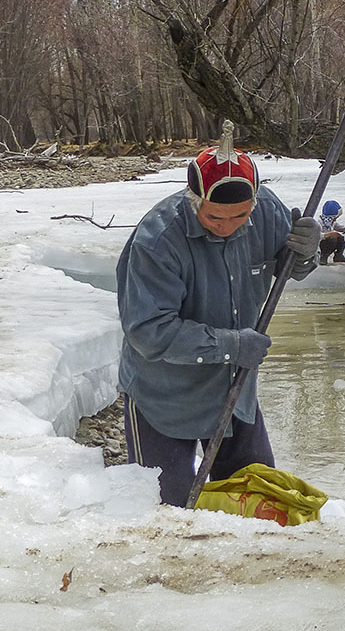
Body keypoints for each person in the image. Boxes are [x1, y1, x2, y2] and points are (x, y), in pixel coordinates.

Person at [115, 126, 322, 507]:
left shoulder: (267, 211)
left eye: (239, 216)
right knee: (168, 512)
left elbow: (291, 266)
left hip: (235, 389)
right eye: (214, 218)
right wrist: (232, 344)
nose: (227, 227)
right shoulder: (157, 241)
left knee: (259, 501)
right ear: (194, 199)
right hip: (164, 397)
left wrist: (306, 252)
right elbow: (149, 331)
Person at [317, 199, 345, 264]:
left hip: (328, 243)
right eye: (335, 217)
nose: (336, 219)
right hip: (320, 246)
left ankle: (339, 256)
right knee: (332, 239)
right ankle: (323, 257)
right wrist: (329, 234)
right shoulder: (318, 224)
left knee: (343, 237)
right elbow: (316, 236)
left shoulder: (332, 223)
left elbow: (341, 228)